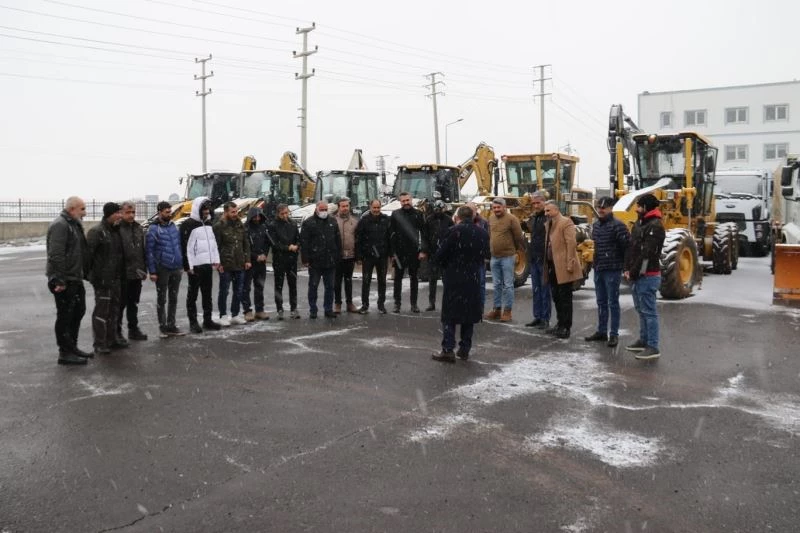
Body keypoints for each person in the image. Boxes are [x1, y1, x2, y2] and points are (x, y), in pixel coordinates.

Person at [432, 205, 490, 363]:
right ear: (472, 216)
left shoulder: (454, 231)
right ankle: (465, 348)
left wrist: (444, 265)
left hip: (454, 277)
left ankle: (448, 349)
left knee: (450, 315)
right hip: (473, 277)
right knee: (469, 315)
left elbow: (440, 255)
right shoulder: (482, 233)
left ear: (458, 217)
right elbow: (486, 255)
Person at [46, 196, 92, 365]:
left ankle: (72, 346)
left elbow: (80, 251)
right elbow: (56, 254)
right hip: (64, 279)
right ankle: (64, 352)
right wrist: (59, 279)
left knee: (78, 311)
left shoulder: (74, 224)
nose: (85, 213)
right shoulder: (61, 225)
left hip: (75, 277)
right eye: (82, 209)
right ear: (72, 209)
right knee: (65, 315)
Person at [624, 193, 666, 360]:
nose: (637, 209)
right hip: (637, 274)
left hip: (648, 275)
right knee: (641, 310)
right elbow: (632, 248)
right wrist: (627, 268)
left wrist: (634, 271)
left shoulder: (655, 226)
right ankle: (643, 340)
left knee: (649, 312)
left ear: (647, 207)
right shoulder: (640, 224)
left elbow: (647, 254)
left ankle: (653, 346)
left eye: (639, 206)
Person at [585, 196, 630, 347]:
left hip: (612, 270)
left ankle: (614, 334)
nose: (600, 210)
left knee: (613, 303)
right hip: (599, 269)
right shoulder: (596, 226)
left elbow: (627, 248)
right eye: (599, 207)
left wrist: (626, 267)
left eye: (604, 207)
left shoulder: (619, 226)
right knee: (601, 302)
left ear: (611, 208)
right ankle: (602, 331)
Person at [86, 202, 126, 355]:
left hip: (116, 279)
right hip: (102, 280)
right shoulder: (97, 232)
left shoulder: (115, 231)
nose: (120, 216)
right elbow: (88, 257)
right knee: (102, 312)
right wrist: (92, 277)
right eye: (117, 213)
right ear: (109, 214)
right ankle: (100, 343)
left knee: (114, 310)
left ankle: (112, 339)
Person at [543, 200, 583, 339]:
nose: (546, 213)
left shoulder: (566, 222)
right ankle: (560, 324)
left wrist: (570, 262)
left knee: (565, 297)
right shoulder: (549, 224)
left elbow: (571, 243)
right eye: (545, 210)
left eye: (548, 210)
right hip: (552, 265)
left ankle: (566, 327)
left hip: (563, 265)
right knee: (556, 296)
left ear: (556, 210)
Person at [181, 196, 221, 333]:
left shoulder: (209, 224)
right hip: (195, 266)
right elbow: (186, 247)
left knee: (207, 293)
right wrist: (188, 266)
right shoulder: (188, 225)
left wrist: (216, 260)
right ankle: (193, 322)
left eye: (208, 209)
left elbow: (213, 244)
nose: (206, 211)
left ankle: (207, 319)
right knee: (193, 295)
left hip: (207, 264)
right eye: (204, 209)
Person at [146, 200, 185, 337]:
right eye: (167, 212)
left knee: (173, 297)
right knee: (162, 299)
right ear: (160, 212)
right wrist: (152, 271)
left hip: (176, 267)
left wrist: (181, 263)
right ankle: (163, 327)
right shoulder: (153, 229)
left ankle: (171, 325)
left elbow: (178, 245)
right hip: (162, 268)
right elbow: (149, 251)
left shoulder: (173, 226)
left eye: (170, 211)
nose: (169, 214)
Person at [485, 197, 525, 322]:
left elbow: (518, 237)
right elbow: (490, 235)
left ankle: (507, 311)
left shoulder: (512, 219)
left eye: (498, 207)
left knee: (508, 285)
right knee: (496, 284)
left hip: (507, 257)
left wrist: (513, 250)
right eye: (494, 207)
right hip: (494, 257)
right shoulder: (491, 218)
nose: (496, 210)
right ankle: (497, 309)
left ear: (504, 207)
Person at [300, 201, 341, 319]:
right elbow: (304, 242)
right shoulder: (309, 223)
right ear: (316, 209)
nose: (324, 212)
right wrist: (305, 259)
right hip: (315, 261)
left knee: (330, 287)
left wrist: (337, 255)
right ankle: (313, 309)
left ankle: (328, 309)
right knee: (313, 286)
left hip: (330, 260)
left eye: (325, 209)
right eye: (321, 209)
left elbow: (337, 240)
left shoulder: (332, 221)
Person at [214, 201, 252, 326]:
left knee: (238, 290)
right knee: (224, 291)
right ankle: (223, 315)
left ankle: (235, 314)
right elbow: (216, 246)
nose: (235, 214)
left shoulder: (240, 225)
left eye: (236, 211)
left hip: (240, 263)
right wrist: (217, 263)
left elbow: (245, 243)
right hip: (225, 264)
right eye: (232, 212)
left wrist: (247, 260)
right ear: (226, 212)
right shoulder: (219, 226)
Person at [389, 192, 428, 313]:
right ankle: (397, 304)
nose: (406, 203)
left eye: (407, 200)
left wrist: (423, 250)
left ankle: (414, 304)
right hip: (399, 253)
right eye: (403, 201)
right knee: (397, 280)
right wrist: (392, 253)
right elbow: (391, 235)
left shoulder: (418, 214)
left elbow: (425, 234)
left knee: (414, 279)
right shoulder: (395, 214)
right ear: (400, 202)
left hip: (413, 252)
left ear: (411, 200)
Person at [118, 201, 148, 341]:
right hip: (122, 274)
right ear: (121, 213)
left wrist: (143, 269)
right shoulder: (117, 229)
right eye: (128, 212)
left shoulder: (138, 228)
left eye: (133, 212)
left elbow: (142, 250)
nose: (131, 215)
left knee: (133, 304)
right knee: (120, 305)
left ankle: (133, 329)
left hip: (136, 273)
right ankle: (116, 332)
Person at [355, 198, 391, 314]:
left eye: (378, 207)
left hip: (382, 256)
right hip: (368, 256)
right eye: (374, 207)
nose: (376, 210)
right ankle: (365, 305)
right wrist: (359, 256)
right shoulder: (364, 220)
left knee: (382, 281)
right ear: (370, 207)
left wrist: (391, 254)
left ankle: (381, 305)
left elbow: (390, 238)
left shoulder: (386, 220)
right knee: (366, 281)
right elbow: (358, 239)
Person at [268, 203, 301, 320]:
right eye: (282, 213)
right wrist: (288, 247)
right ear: (278, 213)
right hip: (279, 259)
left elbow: (298, 238)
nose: (285, 215)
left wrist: (296, 246)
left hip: (291, 259)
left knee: (293, 285)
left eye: (287, 213)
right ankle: (279, 309)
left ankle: (294, 308)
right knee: (279, 285)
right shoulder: (273, 225)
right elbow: (274, 243)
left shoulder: (292, 224)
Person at [524, 192, 551, 329]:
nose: (535, 205)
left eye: (538, 203)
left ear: (544, 203)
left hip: (545, 259)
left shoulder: (548, 218)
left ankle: (545, 318)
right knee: (536, 289)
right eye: (533, 203)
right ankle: (537, 316)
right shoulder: (534, 219)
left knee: (545, 290)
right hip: (534, 258)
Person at [423, 200, 454, 312]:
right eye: (436, 209)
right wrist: (425, 250)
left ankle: (448, 303)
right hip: (433, 253)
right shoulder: (429, 220)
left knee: (447, 280)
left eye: (440, 209)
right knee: (432, 280)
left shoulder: (449, 220)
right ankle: (432, 303)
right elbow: (425, 237)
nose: (438, 211)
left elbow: (452, 236)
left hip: (445, 254)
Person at [242, 206, 270, 321]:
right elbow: (245, 246)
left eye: (259, 216)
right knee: (246, 287)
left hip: (261, 262)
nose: (257, 218)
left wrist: (264, 254)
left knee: (259, 287)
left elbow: (267, 243)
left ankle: (259, 310)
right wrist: (255, 256)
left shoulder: (263, 227)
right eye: (255, 216)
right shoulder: (245, 229)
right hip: (249, 262)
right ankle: (247, 311)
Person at [333, 197, 358, 314]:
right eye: (342, 206)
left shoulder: (354, 221)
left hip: (350, 256)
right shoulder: (332, 221)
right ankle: (337, 303)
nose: (345, 208)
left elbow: (357, 238)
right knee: (336, 281)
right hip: (337, 256)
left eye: (347, 206)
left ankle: (349, 303)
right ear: (339, 207)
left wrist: (357, 255)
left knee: (348, 281)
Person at [466, 200, 489, 308]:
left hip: (479, 258)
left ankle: (480, 307)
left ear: (476, 210)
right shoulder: (461, 222)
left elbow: (487, 240)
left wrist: (485, 256)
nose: (470, 212)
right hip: (465, 259)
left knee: (480, 284)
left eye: (471, 210)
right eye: (467, 210)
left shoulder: (483, 222)